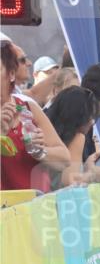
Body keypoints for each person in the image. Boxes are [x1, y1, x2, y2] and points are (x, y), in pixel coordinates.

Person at [1, 41, 71, 191]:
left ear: (11, 74)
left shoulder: (27, 107)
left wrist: (39, 151)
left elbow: (64, 159)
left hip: (34, 208)